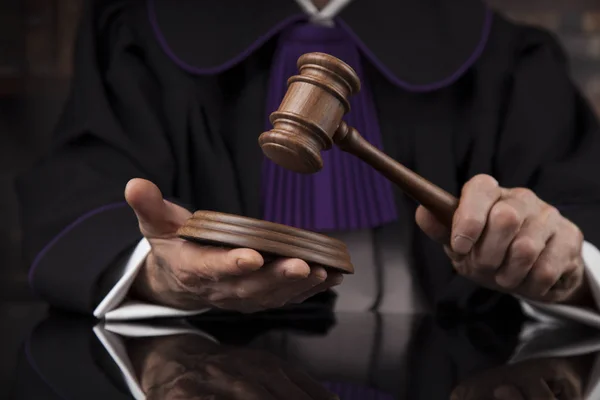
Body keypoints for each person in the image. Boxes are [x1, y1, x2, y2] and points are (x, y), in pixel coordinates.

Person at [15, 0, 600, 324]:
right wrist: (161, 274)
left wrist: (567, 268)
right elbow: (77, 196)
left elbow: (581, 217)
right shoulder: (138, 32)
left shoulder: (505, 55)